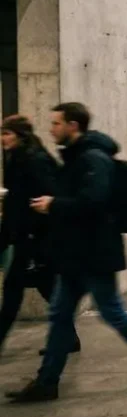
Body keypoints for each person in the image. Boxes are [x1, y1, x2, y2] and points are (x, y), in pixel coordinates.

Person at [8, 103, 127, 403]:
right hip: (76, 252)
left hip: (96, 253)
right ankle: (46, 382)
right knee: (59, 314)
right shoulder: (76, 156)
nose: (51, 129)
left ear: (73, 126)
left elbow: (94, 202)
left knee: (112, 312)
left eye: (56, 123)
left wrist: (53, 204)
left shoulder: (93, 158)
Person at [0, 115, 75, 356]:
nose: (2, 138)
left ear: (20, 135)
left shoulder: (34, 159)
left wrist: (33, 230)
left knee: (13, 290)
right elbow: (15, 201)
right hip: (28, 236)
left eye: (7, 133)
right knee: (46, 288)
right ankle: (69, 338)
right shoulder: (17, 157)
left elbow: (50, 195)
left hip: (37, 237)